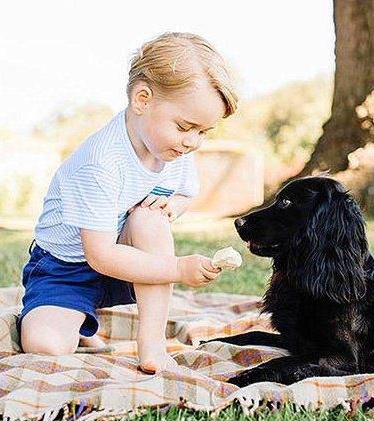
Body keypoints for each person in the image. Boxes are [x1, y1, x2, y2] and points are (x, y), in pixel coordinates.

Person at [18, 32, 238, 374]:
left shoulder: (173, 149)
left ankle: (152, 345)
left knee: (150, 219)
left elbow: (182, 194)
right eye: (185, 127)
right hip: (66, 267)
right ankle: (73, 319)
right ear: (142, 98)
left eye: (203, 132)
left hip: (127, 260)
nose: (193, 142)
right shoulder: (100, 163)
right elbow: (100, 255)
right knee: (46, 347)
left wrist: (170, 208)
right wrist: (179, 268)